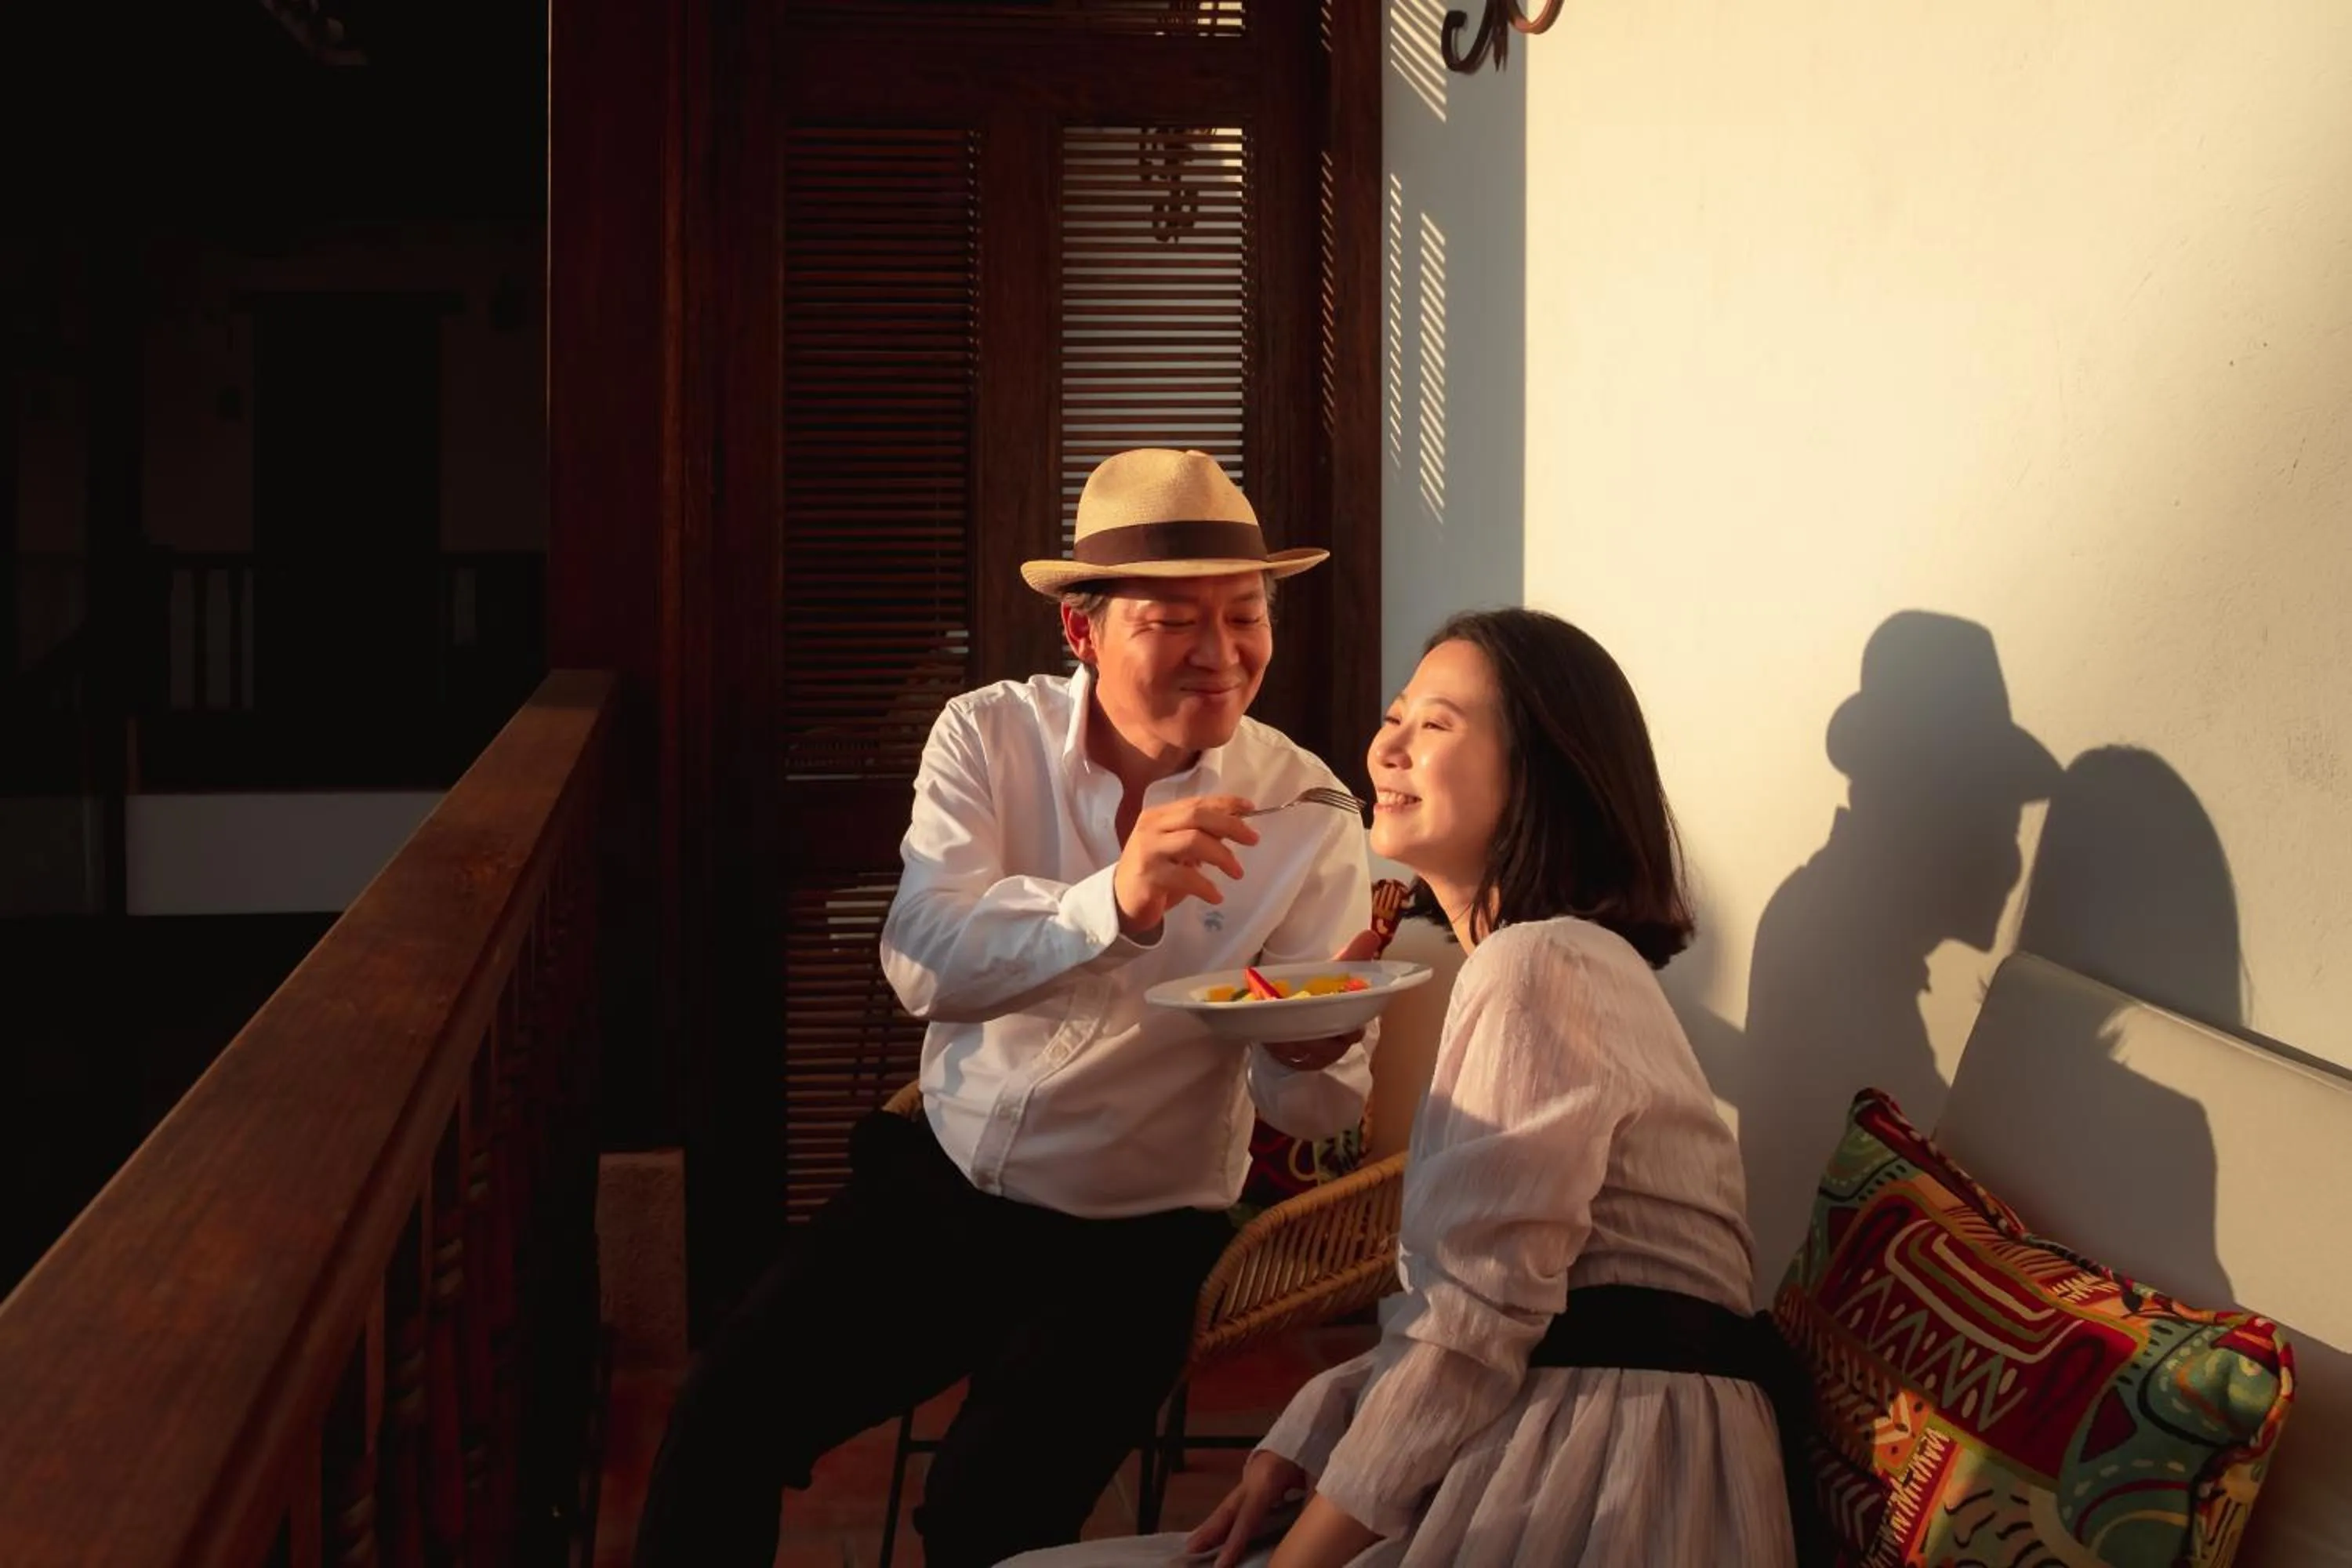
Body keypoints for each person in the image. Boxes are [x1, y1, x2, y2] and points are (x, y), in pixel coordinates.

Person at [631, 448, 1382, 1568]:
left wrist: (1318, 1044)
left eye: (1245, 614)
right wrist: (1111, 904)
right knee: (721, 1417)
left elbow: (1314, 1110)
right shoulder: (987, 737)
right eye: (1174, 620)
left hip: (1137, 1236)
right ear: (1082, 631)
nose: (1222, 653)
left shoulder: (1307, 809)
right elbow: (922, 959)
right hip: (944, 1184)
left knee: (989, 1515)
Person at [1007, 607, 1810, 1568]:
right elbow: (1465, 1306)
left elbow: (1472, 1325)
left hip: (1615, 1471)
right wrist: (1311, 1427)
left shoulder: (1539, 966)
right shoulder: (1539, 963)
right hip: (1593, 1427)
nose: (1387, 746)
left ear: (1543, 769)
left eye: (1435, 723)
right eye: (1393, 717)